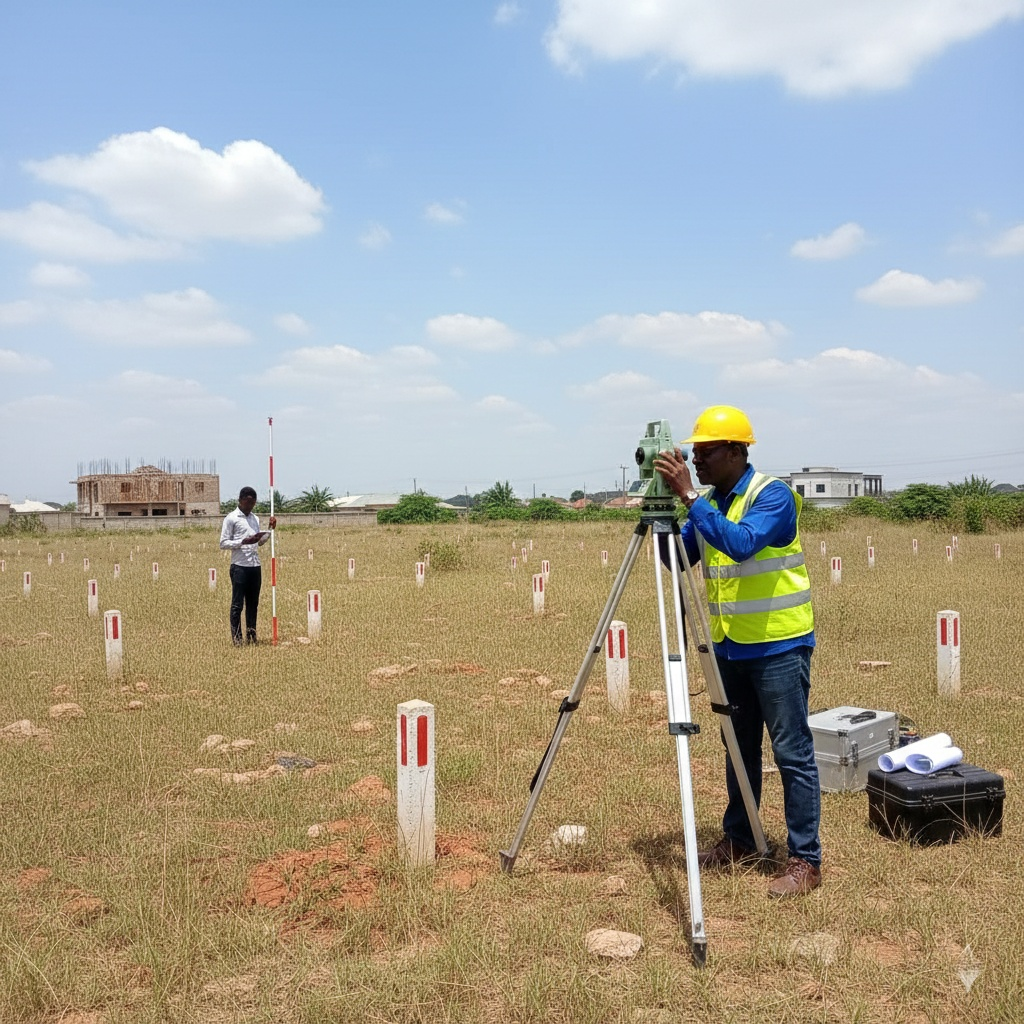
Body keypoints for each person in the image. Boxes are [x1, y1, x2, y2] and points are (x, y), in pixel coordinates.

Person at [653, 405, 822, 897]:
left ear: (735, 451)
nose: (696, 461)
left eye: (705, 452)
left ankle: (805, 860)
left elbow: (743, 544)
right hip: (730, 647)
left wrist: (689, 496)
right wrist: (659, 513)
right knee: (738, 747)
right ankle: (741, 840)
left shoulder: (772, 495)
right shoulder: (710, 502)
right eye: (693, 453)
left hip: (778, 646)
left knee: (791, 753)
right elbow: (679, 558)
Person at [219, 486, 276, 646]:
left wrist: (269, 531)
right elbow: (223, 543)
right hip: (239, 566)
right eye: (247, 502)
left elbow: (260, 543)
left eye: (253, 503)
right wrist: (242, 542)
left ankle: (252, 636)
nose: (250, 506)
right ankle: (237, 639)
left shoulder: (255, 518)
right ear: (240, 500)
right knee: (237, 605)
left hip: (254, 566)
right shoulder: (231, 518)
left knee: (253, 604)